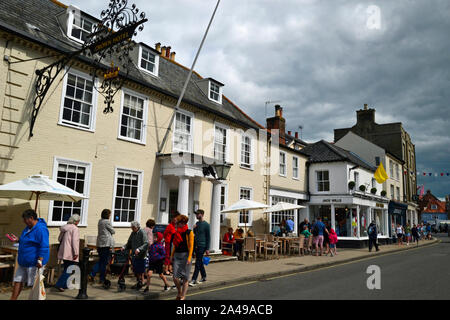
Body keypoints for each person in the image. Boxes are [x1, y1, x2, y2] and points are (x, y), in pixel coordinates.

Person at [10, 209, 49, 300]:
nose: (24, 222)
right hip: (23, 261)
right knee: (18, 281)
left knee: (34, 286)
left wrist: (40, 260)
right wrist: (18, 239)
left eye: (25, 220)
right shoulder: (28, 228)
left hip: (34, 262)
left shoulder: (41, 229)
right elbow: (28, 241)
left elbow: (44, 246)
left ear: (31, 218)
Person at [170, 215, 194, 300]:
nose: (176, 225)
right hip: (177, 255)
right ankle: (179, 292)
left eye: (178, 223)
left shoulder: (189, 232)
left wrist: (189, 258)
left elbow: (191, 247)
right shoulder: (176, 233)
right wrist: (171, 255)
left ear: (183, 223)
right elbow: (175, 246)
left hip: (186, 255)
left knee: (185, 277)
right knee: (175, 277)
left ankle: (183, 295)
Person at [54, 214, 80, 292]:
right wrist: (76, 253)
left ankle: (65, 285)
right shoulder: (75, 229)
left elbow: (59, 239)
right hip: (71, 252)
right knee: (69, 269)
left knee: (66, 268)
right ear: (76, 221)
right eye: (78, 221)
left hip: (63, 251)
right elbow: (74, 241)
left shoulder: (65, 228)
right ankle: (60, 284)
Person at [89, 209, 115, 284]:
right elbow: (113, 231)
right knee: (104, 262)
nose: (110, 216)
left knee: (101, 260)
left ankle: (93, 274)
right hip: (105, 244)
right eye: (109, 214)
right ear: (107, 215)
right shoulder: (107, 222)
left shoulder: (100, 221)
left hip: (100, 243)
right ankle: (101, 278)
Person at [122, 221, 148, 290]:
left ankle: (141, 282)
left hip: (142, 254)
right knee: (136, 269)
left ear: (137, 227)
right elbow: (129, 242)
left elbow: (146, 243)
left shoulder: (142, 232)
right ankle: (139, 282)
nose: (132, 229)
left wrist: (139, 249)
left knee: (140, 269)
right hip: (134, 254)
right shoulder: (133, 233)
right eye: (132, 228)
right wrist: (124, 247)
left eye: (133, 228)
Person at [190, 209, 210, 286]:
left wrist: (207, 248)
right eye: (196, 214)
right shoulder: (197, 224)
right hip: (196, 245)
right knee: (200, 261)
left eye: (197, 214)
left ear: (201, 214)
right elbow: (196, 234)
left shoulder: (206, 225)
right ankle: (204, 276)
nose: (196, 216)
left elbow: (208, 237)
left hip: (202, 245)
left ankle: (194, 279)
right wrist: (194, 228)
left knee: (197, 262)